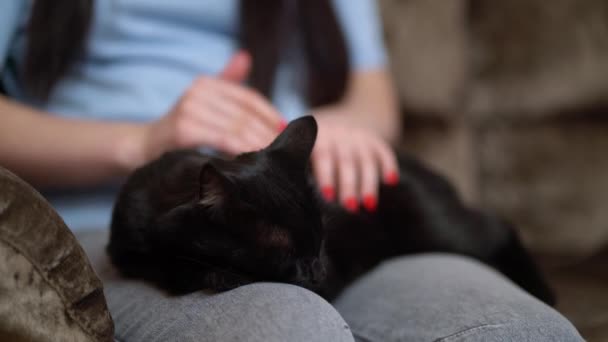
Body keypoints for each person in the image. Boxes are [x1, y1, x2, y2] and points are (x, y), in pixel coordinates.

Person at [0, 1, 583, 341]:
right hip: (107, 228)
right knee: (288, 330)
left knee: (518, 329)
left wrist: (337, 131)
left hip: (292, 190)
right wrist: (141, 140)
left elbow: (373, 103)